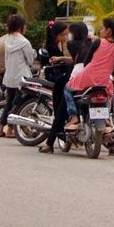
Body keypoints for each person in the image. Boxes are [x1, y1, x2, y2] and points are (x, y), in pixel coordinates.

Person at [38, 20, 75, 153]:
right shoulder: (55, 47)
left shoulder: (66, 46)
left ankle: (50, 142)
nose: (65, 38)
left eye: (67, 35)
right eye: (63, 35)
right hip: (58, 77)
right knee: (61, 108)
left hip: (66, 78)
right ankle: (51, 141)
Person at [0, 14, 36, 138]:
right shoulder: (24, 42)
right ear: (21, 27)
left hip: (9, 76)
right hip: (21, 77)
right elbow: (30, 61)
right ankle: (10, 130)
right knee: (18, 104)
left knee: (9, 102)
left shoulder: (7, 40)